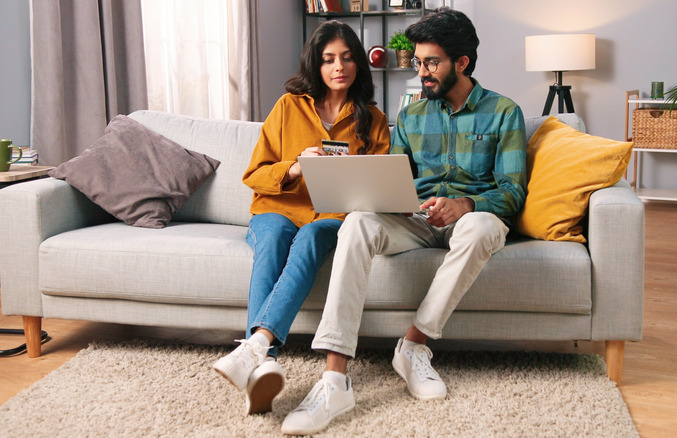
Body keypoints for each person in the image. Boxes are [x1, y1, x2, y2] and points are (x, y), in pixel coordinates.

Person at [281, 7, 526, 436]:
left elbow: (512, 191)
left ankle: (413, 346)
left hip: (470, 219)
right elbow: (398, 180)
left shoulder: (504, 112)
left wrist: (465, 204)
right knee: (356, 221)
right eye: (418, 62)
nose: (422, 72)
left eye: (431, 63)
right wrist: (394, 199)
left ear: (462, 63)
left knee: (483, 227)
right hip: (415, 220)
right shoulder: (410, 116)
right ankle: (334, 378)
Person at [213, 20, 390, 416]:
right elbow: (254, 174)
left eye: (346, 58)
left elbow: (378, 188)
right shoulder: (287, 106)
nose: (338, 67)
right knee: (274, 238)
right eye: (328, 60)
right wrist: (294, 168)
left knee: (312, 236)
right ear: (316, 64)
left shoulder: (373, 120)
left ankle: (255, 351)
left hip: (332, 217)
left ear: (358, 63)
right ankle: (264, 359)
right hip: (277, 209)